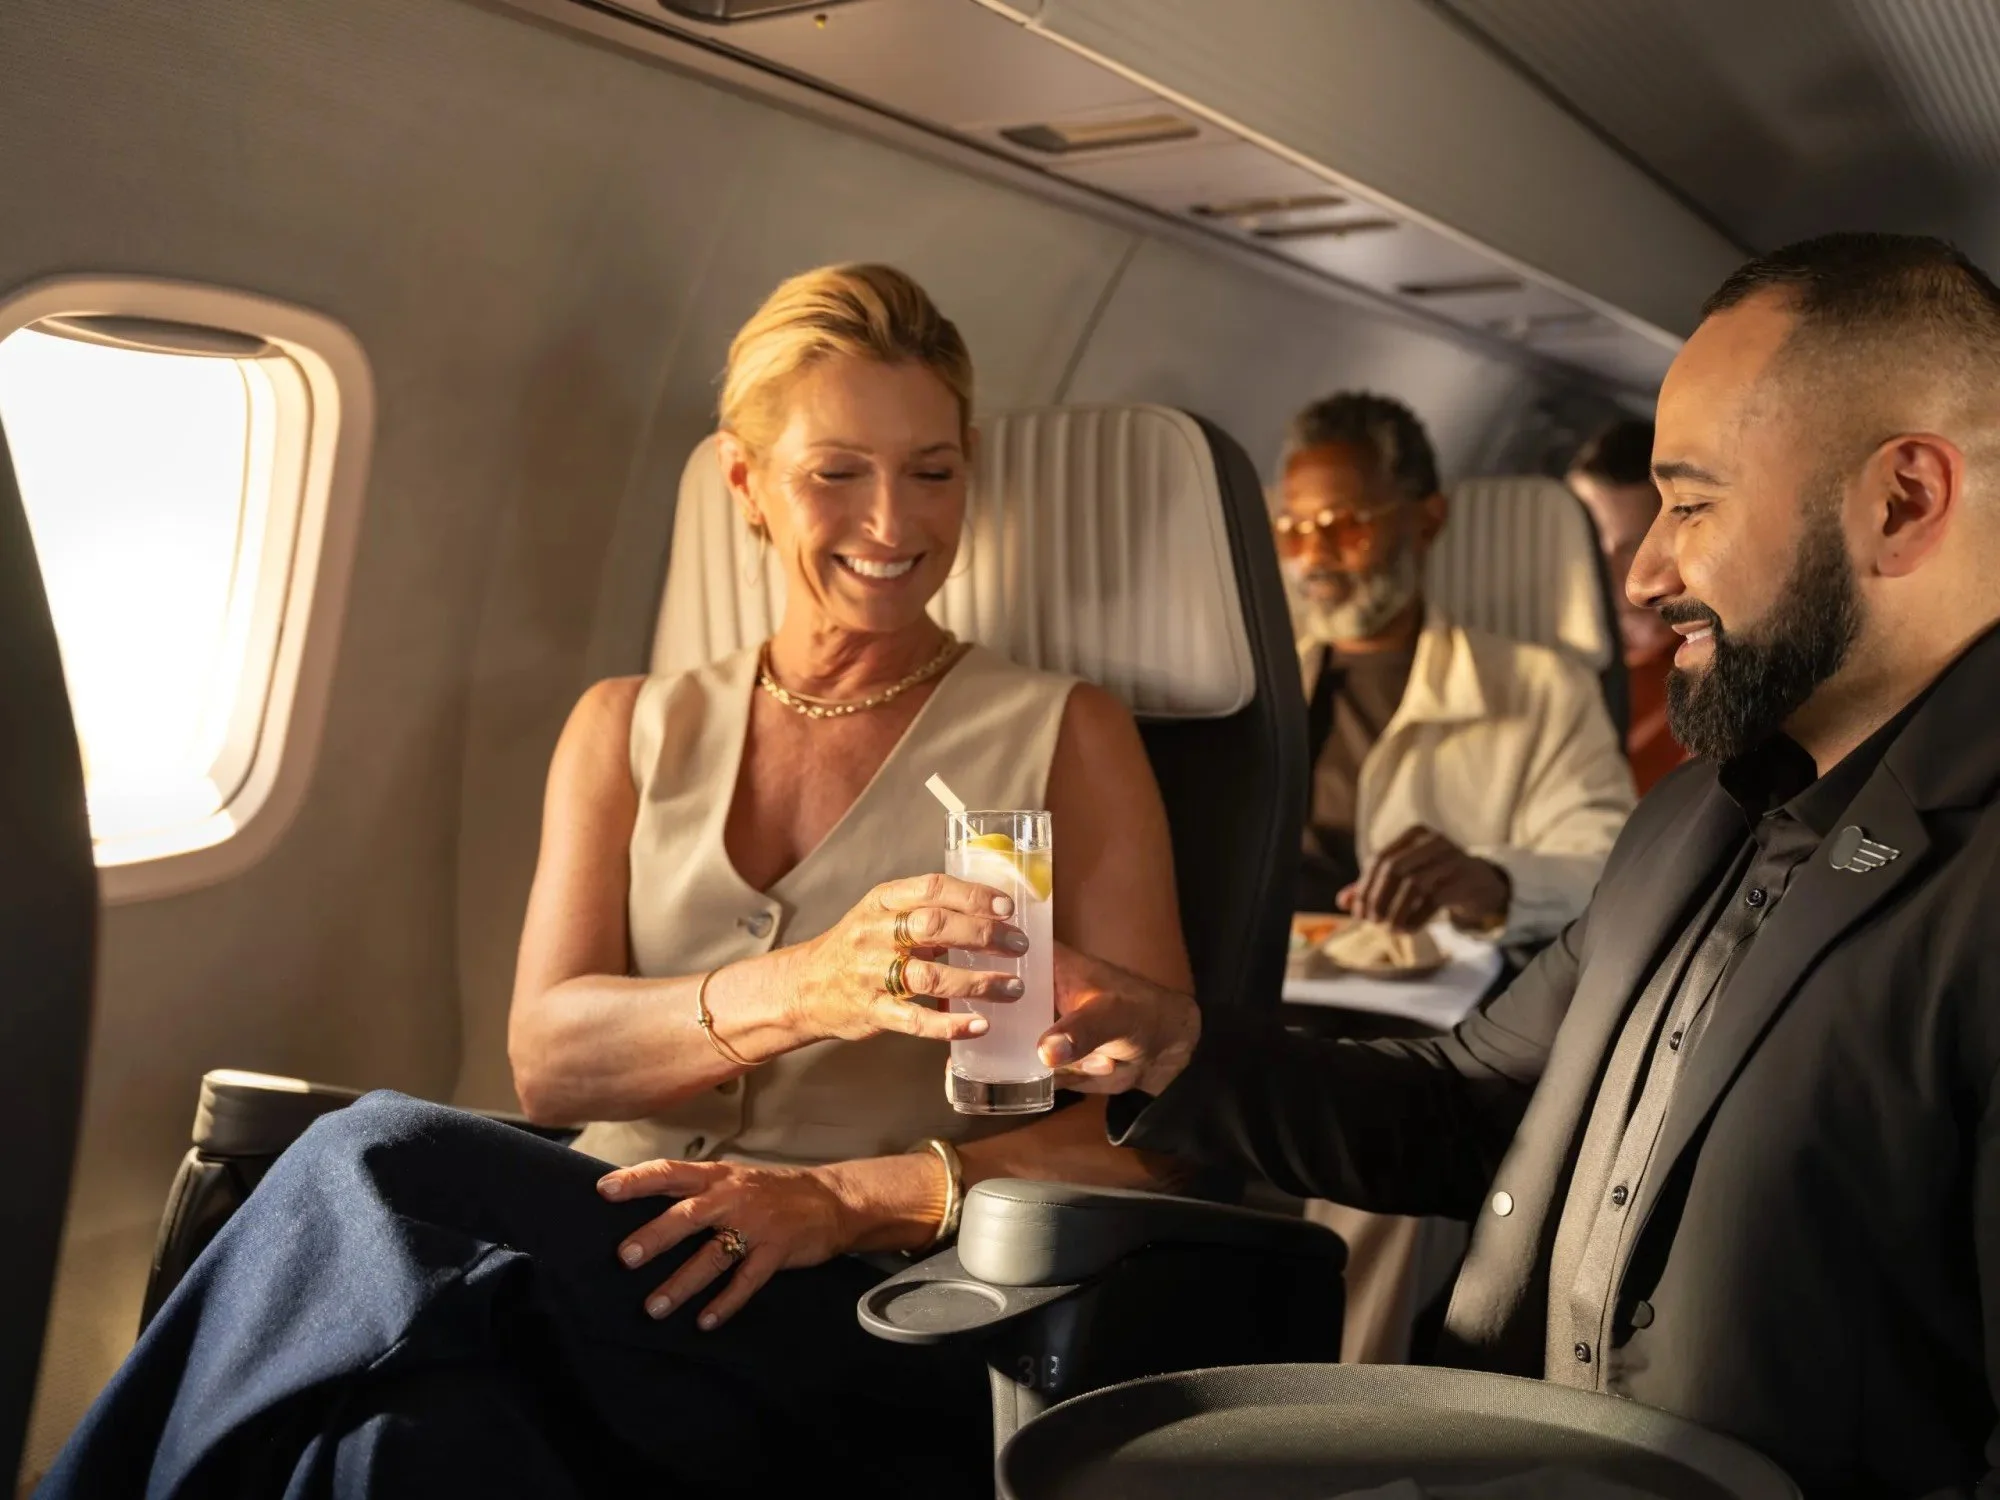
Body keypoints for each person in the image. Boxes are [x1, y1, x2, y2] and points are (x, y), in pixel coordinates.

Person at [37, 264, 1193, 1498]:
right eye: (834, 472)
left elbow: (1152, 1138)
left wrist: (845, 1199)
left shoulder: (1065, 735)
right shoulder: (625, 729)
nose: (893, 524)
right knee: (395, 1447)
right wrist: (811, 986)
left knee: (376, 1157)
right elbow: (553, 1059)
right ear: (745, 485)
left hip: (864, 1306)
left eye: (931, 469)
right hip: (605, 1248)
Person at [1045, 232, 2000, 1498]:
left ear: (1901, 502)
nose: (1646, 571)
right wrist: (1168, 1043)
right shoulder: (1695, 816)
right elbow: (1467, 1106)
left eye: (1692, 502)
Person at [1274, 392, 1635, 1364]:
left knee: (1378, 1166)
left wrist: (1489, 879)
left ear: (1424, 517)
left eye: (1345, 522)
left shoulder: (1535, 690)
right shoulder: (1250, 689)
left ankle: (1339, 1429)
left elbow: (1615, 870)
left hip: (1416, 1033)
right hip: (1260, 1003)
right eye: (1293, 528)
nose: (1315, 554)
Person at [1567, 419, 1689, 794]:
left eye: (1631, 549)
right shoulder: (1546, 656)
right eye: (1589, 548)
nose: (1606, 574)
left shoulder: (1711, 667)